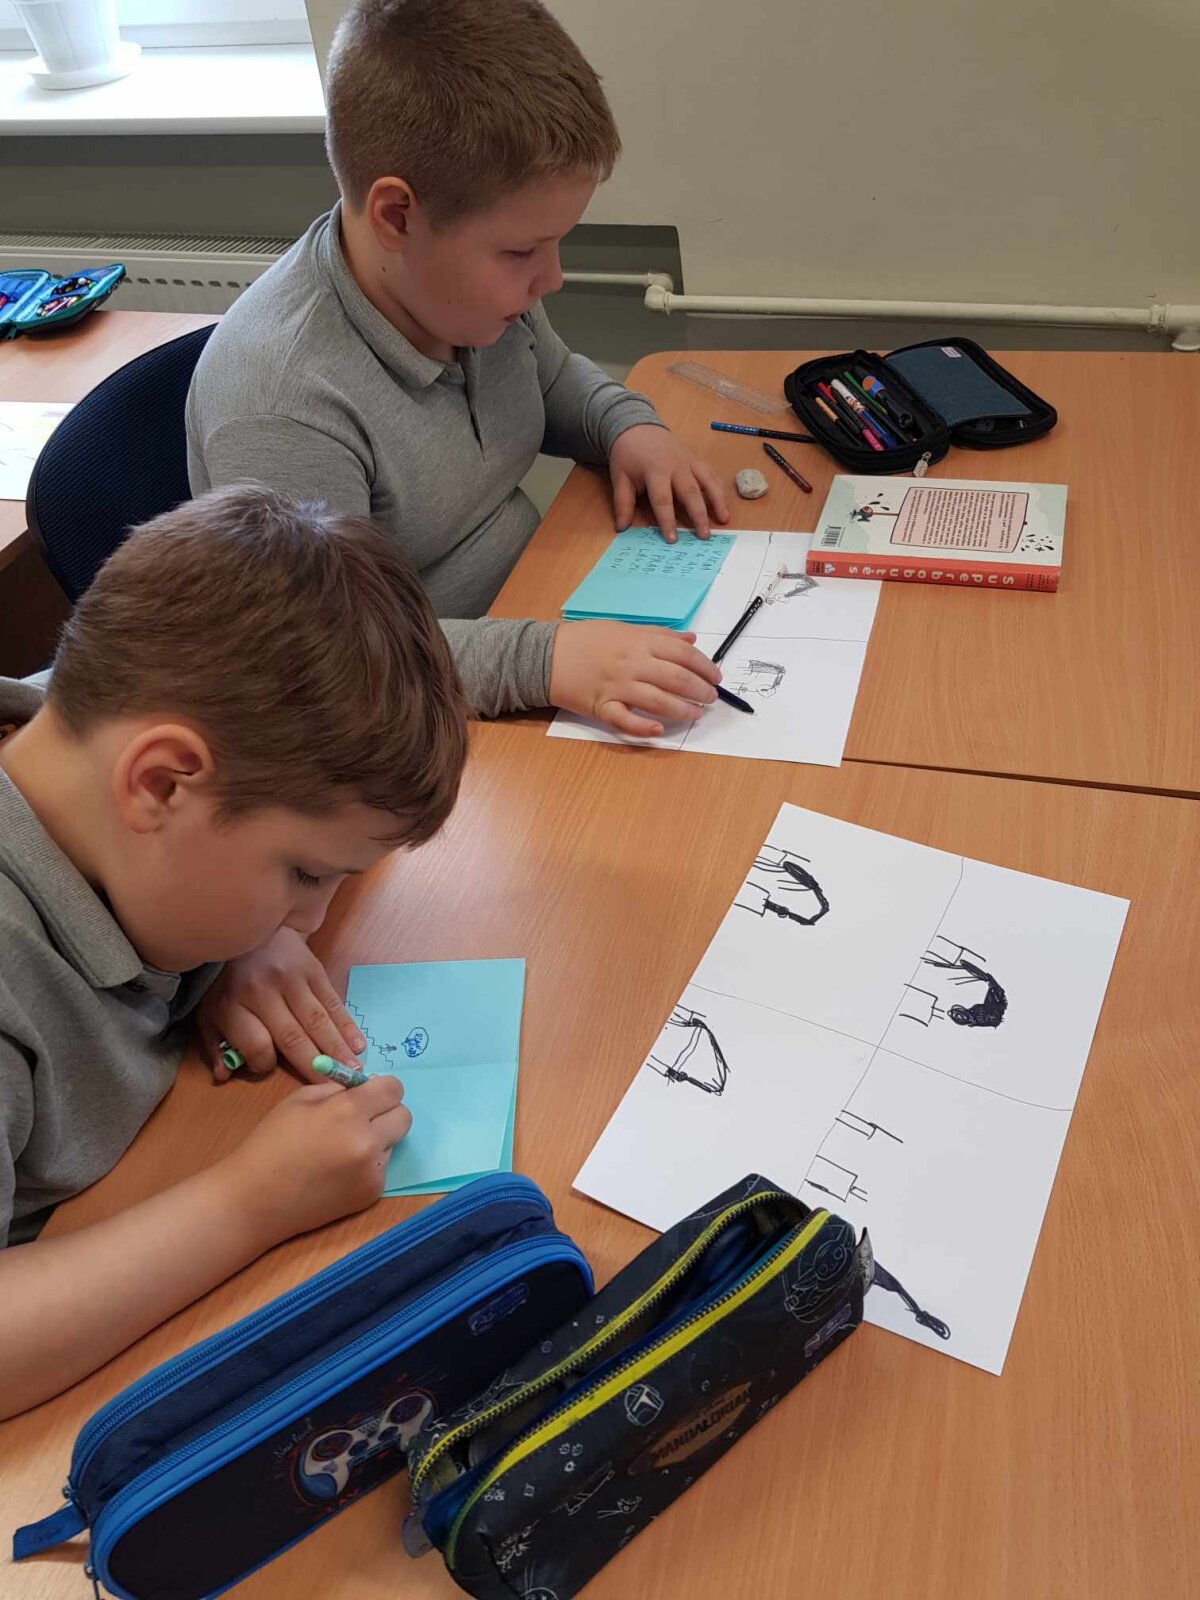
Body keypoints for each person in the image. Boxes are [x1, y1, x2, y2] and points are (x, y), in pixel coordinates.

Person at [0, 486, 467, 1417]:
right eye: (304, 874)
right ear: (162, 784)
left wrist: (238, 940)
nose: (312, 918)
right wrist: (251, 1202)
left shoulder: (90, 728)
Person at [187, 0, 729, 741]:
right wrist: (546, 660)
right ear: (397, 217)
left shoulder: (459, 297)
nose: (551, 278)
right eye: (521, 251)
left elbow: (548, 377)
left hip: (529, 612)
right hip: (421, 710)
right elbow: (331, 663)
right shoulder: (281, 405)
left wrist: (628, 427)